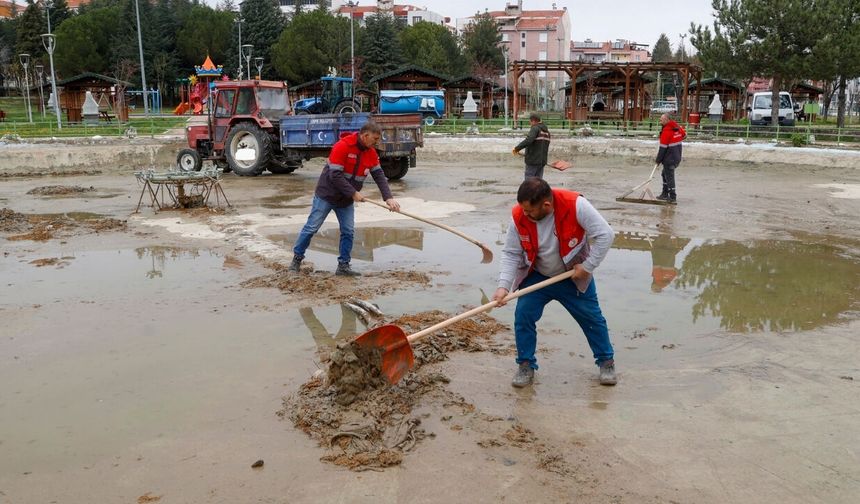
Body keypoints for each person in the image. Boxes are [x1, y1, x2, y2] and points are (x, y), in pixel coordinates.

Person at [492, 178, 617, 388]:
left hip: (571, 276)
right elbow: (512, 253)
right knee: (523, 315)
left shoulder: (575, 205)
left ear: (546, 205)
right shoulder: (519, 216)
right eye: (523, 209)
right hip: (537, 275)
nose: (525, 214)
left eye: (530, 211)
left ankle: (606, 362)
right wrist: (503, 286)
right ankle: (525, 365)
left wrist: (587, 266)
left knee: (591, 318)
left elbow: (606, 235)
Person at [289, 121, 400, 276]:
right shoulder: (342, 146)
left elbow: (379, 176)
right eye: (375, 139)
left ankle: (343, 266)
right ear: (365, 135)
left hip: (345, 200)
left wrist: (388, 198)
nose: (377, 142)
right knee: (311, 228)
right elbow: (335, 175)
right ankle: (296, 260)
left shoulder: (371, 153)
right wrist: (354, 193)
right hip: (327, 195)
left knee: (348, 231)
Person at [655, 113, 686, 204]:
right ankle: (665, 193)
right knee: (664, 173)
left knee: (669, 176)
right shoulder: (676, 127)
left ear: (667, 120)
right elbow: (684, 135)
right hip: (677, 156)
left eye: (662, 119)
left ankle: (672, 196)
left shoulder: (667, 131)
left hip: (670, 158)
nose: (660, 121)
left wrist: (658, 161)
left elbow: (662, 149)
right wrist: (675, 140)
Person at [512, 113, 551, 180]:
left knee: (529, 182)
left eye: (530, 122)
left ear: (533, 121)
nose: (530, 124)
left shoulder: (535, 128)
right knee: (538, 182)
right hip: (542, 162)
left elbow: (528, 140)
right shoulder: (547, 132)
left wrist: (517, 148)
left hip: (533, 161)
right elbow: (541, 147)